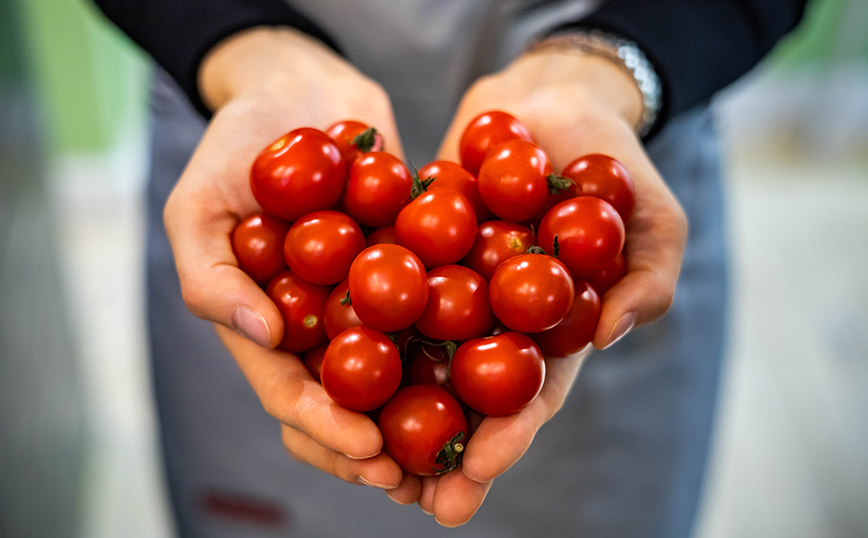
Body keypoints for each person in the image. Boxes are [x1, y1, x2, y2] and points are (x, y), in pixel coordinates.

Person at [92, 0, 808, 536]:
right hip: (245, 112)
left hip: (618, 115)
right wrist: (236, 41)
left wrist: (618, 62)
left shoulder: (555, 228)